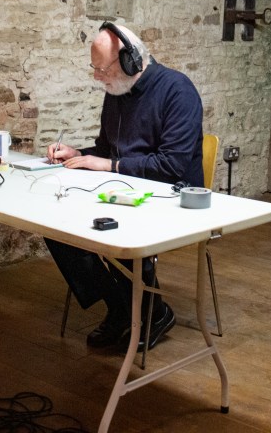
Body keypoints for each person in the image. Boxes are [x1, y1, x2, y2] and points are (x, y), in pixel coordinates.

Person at [44, 22, 204, 351]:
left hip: (171, 197)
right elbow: (106, 151)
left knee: (117, 232)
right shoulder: (117, 91)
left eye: (101, 69)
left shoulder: (178, 91)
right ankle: (123, 307)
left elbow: (172, 166)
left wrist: (109, 165)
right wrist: (78, 154)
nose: (97, 77)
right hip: (124, 190)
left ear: (130, 62)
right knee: (55, 224)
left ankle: (146, 312)